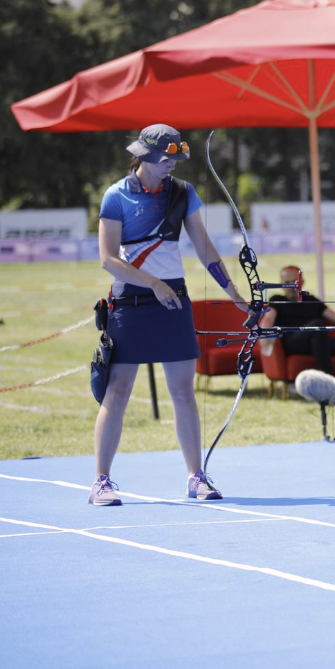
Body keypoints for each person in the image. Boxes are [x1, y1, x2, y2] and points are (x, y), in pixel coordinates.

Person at [90, 123, 246, 506]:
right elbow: (108, 259)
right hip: (131, 303)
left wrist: (235, 295)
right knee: (119, 389)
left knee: (182, 392)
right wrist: (153, 284)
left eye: (176, 159)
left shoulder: (183, 193)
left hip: (173, 301)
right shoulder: (116, 195)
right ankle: (101, 481)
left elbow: (205, 249)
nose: (171, 166)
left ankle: (196, 477)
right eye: (165, 160)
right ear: (143, 157)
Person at [259, 266, 335, 394]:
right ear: (281, 284)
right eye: (287, 283)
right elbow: (268, 319)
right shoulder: (277, 300)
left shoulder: (311, 301)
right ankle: (330, 384)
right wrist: (264, 334)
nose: (291, 286)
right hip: (293, 342)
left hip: (319, 342)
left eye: (295, 282)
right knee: (317, 326)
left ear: (302, 283)